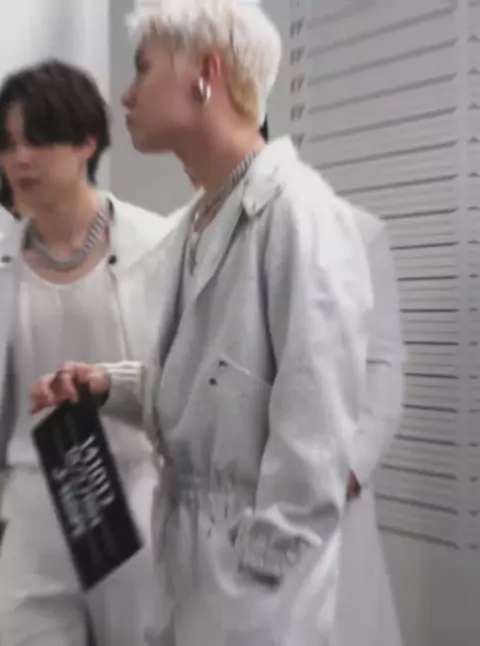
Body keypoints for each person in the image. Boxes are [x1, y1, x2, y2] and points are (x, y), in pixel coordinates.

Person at [30, 2, 373, 644]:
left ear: (205, 75)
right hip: (189, 562)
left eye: (143, 68)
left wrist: (258, 574)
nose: (126, 93)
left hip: (255, 591)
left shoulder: (299, 217)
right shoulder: (198, 221)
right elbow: (212, 387)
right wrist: (108, 384)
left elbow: (317, 432)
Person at [0, 59, 177, 646]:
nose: (20, 158)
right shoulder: (4, 258)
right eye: (8, 144)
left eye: (38, 139)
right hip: (32, 492)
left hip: (131, 485)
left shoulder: (158, 245)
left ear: (86, 142)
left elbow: (180, 375)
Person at [335, 203, 405, 646]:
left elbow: (383, 361)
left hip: (328, 497)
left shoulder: (357, 232)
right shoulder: (191, 237)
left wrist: (352, 469)